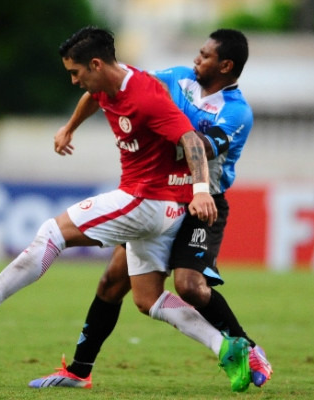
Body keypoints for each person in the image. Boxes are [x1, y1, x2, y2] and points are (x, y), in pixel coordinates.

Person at [0, 26, 253, 392]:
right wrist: (69, 128)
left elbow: (191, 140)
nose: (73, 81)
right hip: (160, 210)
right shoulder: (107, 85)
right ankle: (226, 345)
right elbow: (94, 97)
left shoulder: (148, 95)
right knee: (147, 299)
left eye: (76, 72)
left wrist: (199, 190)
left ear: (97, 64)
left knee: (53, 232)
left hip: (147, 199)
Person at [28, 29, 272, 391]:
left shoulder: (237, 113)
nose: (195, 60)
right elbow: (110, 89)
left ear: (226, 65)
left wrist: (161, 122)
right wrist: (70, 127)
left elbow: (198, 147)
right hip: (161, 196)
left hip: (203, 203)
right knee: (112, 281)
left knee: (189, 285)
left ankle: (248, 349)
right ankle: (79, 371)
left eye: (205, 56)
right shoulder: (177, 78)